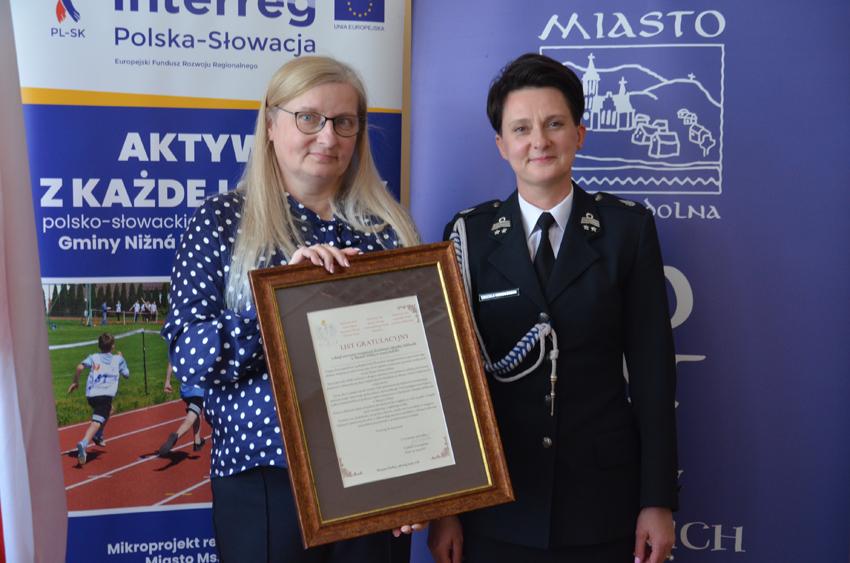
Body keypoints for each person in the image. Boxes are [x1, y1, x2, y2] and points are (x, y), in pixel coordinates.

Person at [160, 55, 420, 563]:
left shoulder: (389, 230)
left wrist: (424, 478)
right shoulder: (221, 222)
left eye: (343, 122)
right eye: (308, 118)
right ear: (271, 124)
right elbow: (191, 359)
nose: (327, 136)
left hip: (376, 476)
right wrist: (281, 301)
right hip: (263, 480)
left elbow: (418, 368)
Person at [429, 53, 678, 563]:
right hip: (496, 504)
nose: (539, 141)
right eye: (521, 128)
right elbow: (449, 381)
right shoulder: (468, 235)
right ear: (502, 145)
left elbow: (654, 374)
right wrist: (446, 508)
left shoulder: (626, 230)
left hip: (601, 502)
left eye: (555, 124)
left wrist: (657, 500)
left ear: (580, 134)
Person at [67, 333, 130, 465]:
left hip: (91, 395)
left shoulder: (93, 357)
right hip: (104, 396)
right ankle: (84, 443)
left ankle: (98, 435)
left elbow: (79, 367)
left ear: (99, 346)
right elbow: (126, 375)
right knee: (96, 422)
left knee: (110, 410)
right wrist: (122, 359)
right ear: (113, 346)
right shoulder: (118, 359)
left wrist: (75, 382)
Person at [157, 362, 206, 456]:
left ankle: (197, 442)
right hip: (198, 390)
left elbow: (171, 361)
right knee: (189, 420)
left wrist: (167, 381)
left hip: (185, 391)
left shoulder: (181, 351)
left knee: (196, 413)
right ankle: (176, 436)